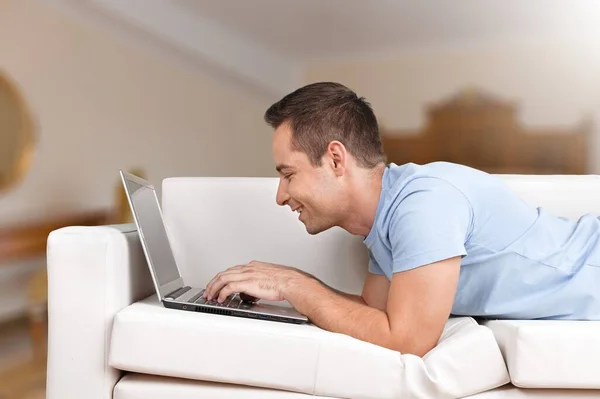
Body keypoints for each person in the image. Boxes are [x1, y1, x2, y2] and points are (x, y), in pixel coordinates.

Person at [202, 82, 600, 357]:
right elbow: (376, 317)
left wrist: (292, 283)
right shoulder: (386, 219)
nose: (280, 195)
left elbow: (407, 339)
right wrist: (288, 286)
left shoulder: (423, 202)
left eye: (288, 174)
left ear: (336, 159)